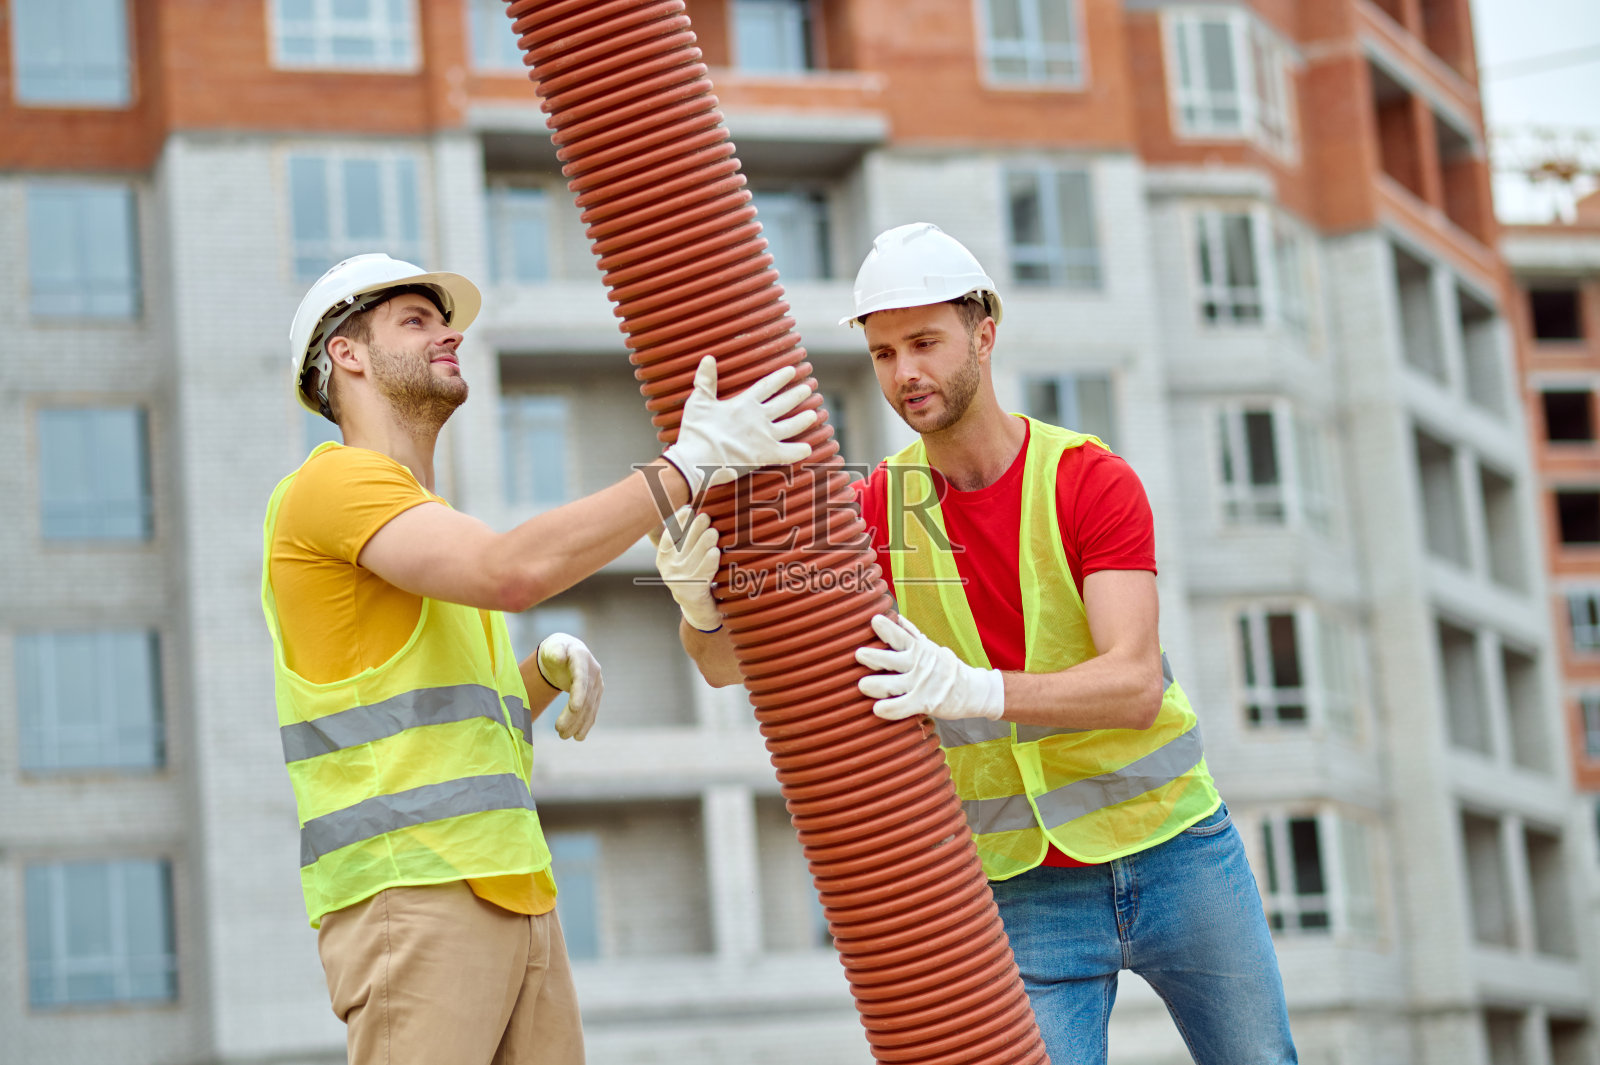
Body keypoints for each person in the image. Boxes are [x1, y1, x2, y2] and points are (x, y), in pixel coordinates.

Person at [659, 224, 1297, 1065]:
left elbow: (1134, 683)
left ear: (985, 333)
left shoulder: (1087, 480)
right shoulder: (879, 508)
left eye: (925, 343)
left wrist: (973, 689)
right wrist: (698, 603)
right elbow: (724, 666)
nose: (905, 373)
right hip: (1026, 886)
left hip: (1177, 853)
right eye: (885, 353)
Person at [261, 253, 815, 1065]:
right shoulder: (333, 488)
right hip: (413, 895)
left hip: (513, 895)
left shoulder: (423, 524)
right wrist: (684, 469)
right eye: (415, 321)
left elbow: (457, 738)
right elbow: (512, 572)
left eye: (442, 319)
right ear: (347, 355)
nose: (449, 334)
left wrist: (538, 677)